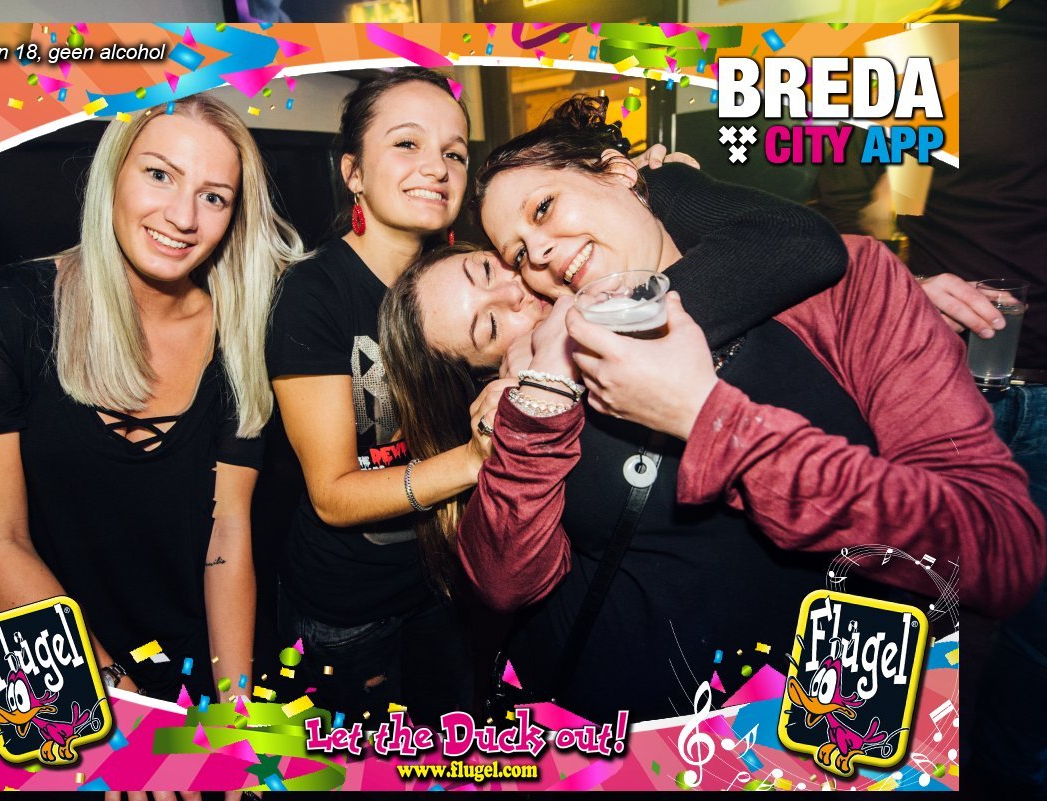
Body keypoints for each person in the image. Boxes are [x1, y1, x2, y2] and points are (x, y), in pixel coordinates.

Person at [381, 96, 1044, 723]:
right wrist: (537, 402)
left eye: (545, 207)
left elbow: (999, 550)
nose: (538, 260)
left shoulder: (838, 283)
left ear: (619, 173)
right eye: (520, 255)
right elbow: (503, 580)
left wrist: (707, 418)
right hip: (632, 751)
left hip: (825, 733)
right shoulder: (541, 379)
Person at [0, 93, 305, 707]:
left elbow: (227, 531)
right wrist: (121, 709)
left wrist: (234, 706)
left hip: (198, 652)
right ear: (113, 174)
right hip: (47, 664)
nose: (182, 216)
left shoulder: (242, 331)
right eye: (159, 174)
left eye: (214, 196)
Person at [265, 68, 498, 726]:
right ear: (354, 173)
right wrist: (478, 459)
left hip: (450, 585)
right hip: (349, 612)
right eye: (407, 144)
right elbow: (333, 494)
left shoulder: (476, 277)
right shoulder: (313, 295)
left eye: (455, 152)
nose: (438, 167)